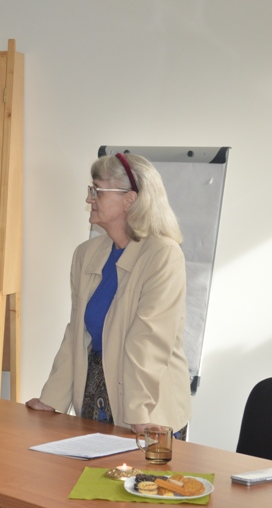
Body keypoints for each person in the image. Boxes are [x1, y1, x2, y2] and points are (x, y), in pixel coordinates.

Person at [26, 153, 191, 437]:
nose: (89, 199)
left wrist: (139, 411)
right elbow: (76, 334)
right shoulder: (86, 253)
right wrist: (51, 399)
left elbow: (149, 340)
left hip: (148, 410)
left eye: (97, 191)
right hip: (95, 401)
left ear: (129, 199)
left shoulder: (163, 254)